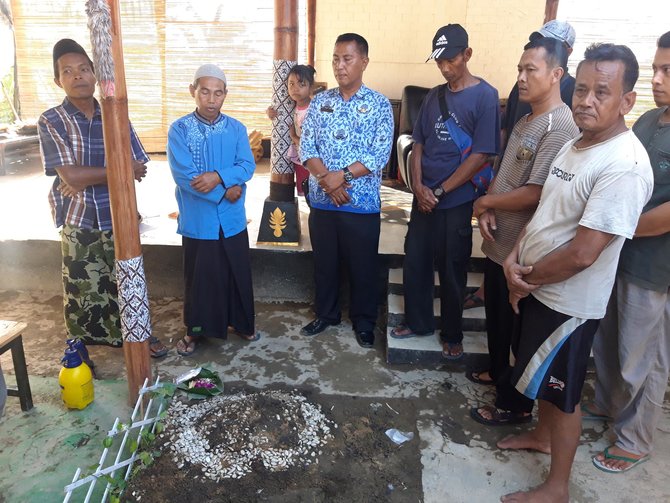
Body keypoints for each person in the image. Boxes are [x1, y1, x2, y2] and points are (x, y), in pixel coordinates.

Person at [495, 44, 653, 503]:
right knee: (546, 381)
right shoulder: (575, 143)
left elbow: (584, 252)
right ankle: (541, 439)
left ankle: (557, 487)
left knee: (565, 397)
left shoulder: (623, 165)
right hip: (539, 285)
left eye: (602, 91)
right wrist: (514, 258)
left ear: (626, 100)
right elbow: (548, 211)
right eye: (581, 89)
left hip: (570, 303)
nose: (586, 100)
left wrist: (526, 278)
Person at [38, 39, 168, 358]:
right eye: (68, 71)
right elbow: (71, 177)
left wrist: (88, 175)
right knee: (81, 287)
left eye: (84, 69)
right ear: (59, 81)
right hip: (77, 214)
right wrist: (112, 171)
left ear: (95, 74)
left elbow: (139, 166)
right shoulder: (51, 120)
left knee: (127, 278)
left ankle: (140, 335)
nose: (77, 76)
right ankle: (79, 346)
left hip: (118, 211)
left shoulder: (114, 113)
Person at [466, 37, 579, 398]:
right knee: (497, 319)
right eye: (520, 70)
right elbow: (502, 175)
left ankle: (511, 402)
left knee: (517, 330)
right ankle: (497, 372)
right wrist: (488, 204)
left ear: (556, 74)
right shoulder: (525, 121)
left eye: (531, 69)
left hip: (524, 250)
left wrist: (486, 203)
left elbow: (536, 192)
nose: (522, 78)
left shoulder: (560, 126)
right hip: (501, 242)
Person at [390, 24, 500, 360]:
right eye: (439, 61)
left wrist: (439, 190)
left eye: (451, 59)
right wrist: (418, 185)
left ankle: (453, 334)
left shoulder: (486, 96)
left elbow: (482, 154)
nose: (445, 67)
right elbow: (418, 142)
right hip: (425, 197)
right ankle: (418, 322)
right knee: (416, 261)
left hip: (456, 200)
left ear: (467, 54)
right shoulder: (434, 96)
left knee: (453, 268)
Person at [587, 31, 670, 474]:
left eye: (667, 70)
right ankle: (606, 406)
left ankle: (635, 438)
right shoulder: (649, 121)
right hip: (619, 254)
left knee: (646, 355)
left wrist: (613, 226)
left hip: (656, 267)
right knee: (610, 343)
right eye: (655, 68)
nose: (657, 78)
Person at [299, 33, 394, 348]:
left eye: (347, 59)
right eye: (335, 59)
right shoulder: (321, 102)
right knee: (324, 263)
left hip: (361, 203)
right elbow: (307, 145)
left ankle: (364, 321)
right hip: (323, 201)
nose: (340, 66)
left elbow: (379, 153)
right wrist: (327, 179)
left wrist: (341, 176)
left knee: (363, 266)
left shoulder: (379, 104)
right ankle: (326, 314)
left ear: (364, 61)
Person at [167, 64, 258, 356]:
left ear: (225, 95)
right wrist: (225, 190)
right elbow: (185, 175)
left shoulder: (236, 128)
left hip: (231, 219)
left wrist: (219, 177)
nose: (211, 99)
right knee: (201, 277)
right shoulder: (179, 130)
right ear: (193, 91)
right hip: (199, 219)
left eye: (218, 93)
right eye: (204, 91)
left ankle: (241, 323)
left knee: (236, 271)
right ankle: (196, 331)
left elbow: (247, 165)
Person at [502, 20, 577, 150]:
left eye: (551, 44)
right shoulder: (522, 84)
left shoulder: (575, 93)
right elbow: (507, 126)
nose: (542, 46)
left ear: (568, 51)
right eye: (540, 40)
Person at [267, 65, 316, 196]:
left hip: (313, 160)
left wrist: (293, 137)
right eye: (291, 84)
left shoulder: (314, 109)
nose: (295, 88)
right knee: (306, 192)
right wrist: (270, 112)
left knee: (314, 192)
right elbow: (276, 112)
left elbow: (310, 140)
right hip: (299, 159)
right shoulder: (291, 106)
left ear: (311, 87)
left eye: (301, 84)